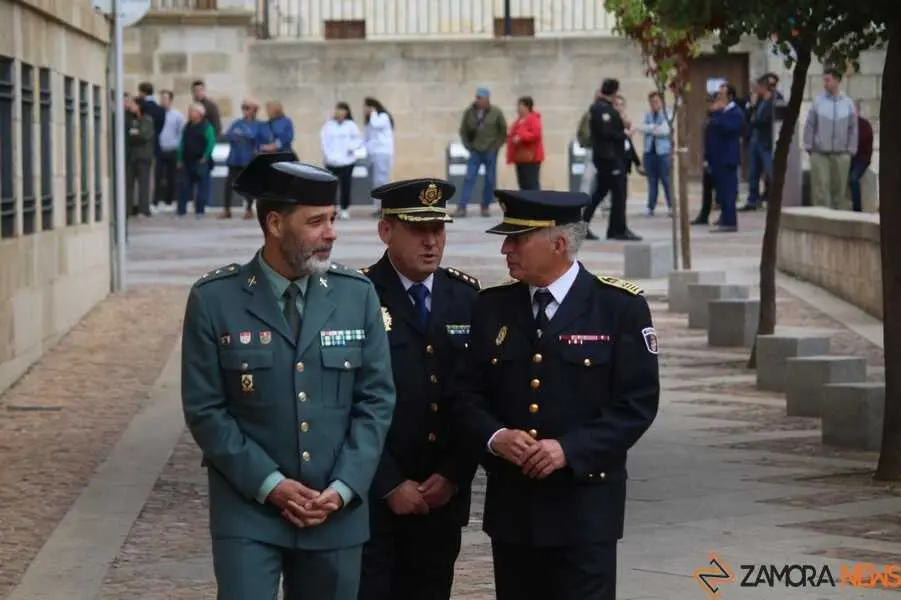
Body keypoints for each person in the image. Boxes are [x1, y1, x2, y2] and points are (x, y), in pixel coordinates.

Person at [180, 151, 397, 600]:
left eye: (333, 219)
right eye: (316, 222)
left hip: (334, 509)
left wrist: (342, 489)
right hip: (247, 509)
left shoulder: (357, 295)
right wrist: (270, 485)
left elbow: (376, 401)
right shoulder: (214, 300)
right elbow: (206, 410)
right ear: (275, 224)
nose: (331, 233)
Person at [453, 189, 660, 600]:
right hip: (515, 510)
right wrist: (495, 438)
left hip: (585, 509)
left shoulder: (618, 307)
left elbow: (636, 404)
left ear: (559, 243)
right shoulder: (492, 307)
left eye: (517, 239)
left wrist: (569, 448)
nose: (505, 249)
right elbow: (466, 394)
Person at [357, 178, 481, 600]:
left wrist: (453, 474)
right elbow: (345, 401)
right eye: (418, 230)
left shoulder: (466, 296)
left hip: (440, 496)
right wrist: (389, 484)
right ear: (386, 230)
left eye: (438, 230)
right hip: (375, 495)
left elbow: (478, 397)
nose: (431, 242)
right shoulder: (358, 296)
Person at [584, 78, 641, 241]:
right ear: (615, 92)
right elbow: (605, 133)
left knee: (601, 193)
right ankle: (618, 229)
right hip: (609, 158)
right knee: (618, 194)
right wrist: (625, 134)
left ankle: (608, 228)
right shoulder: (601, 109)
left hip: (611, 157)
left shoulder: (605, 108)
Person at [321, 101, 363, 220]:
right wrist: (328, 156)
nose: (340, 113)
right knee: (331, 187)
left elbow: (358, 140)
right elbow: (324, 141)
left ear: (346, 112)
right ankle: (332, 208)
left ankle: (344, 209)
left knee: (346, 185)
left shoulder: (351, 125)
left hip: (347, 161)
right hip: (331, 161)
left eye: (342, 110)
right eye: (338, 110)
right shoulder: (328, 125)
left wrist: (352, 148)